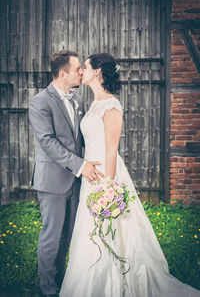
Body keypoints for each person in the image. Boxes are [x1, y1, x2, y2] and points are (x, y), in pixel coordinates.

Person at [59, 53, 200, 297]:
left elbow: (112, 150)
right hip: (90, 175)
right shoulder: (92, 103)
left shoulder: (111, 105)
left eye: (85, 66)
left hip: (106, 176)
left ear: (98, 71)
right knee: (88, 230)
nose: (82, 70)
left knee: (112, 229)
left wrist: (109, 188)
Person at [29, 50, 104, 297]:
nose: (81, 72)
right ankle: (48, 289)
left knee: (69, 234)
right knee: (51, 236)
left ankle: (62, 282)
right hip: (52, 181)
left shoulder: (78, 100)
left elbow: (81, 138)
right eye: (76, 69)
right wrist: (81, 166)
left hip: (75, 181)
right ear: (63, 74)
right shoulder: (40, 102)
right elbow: (48, 142)